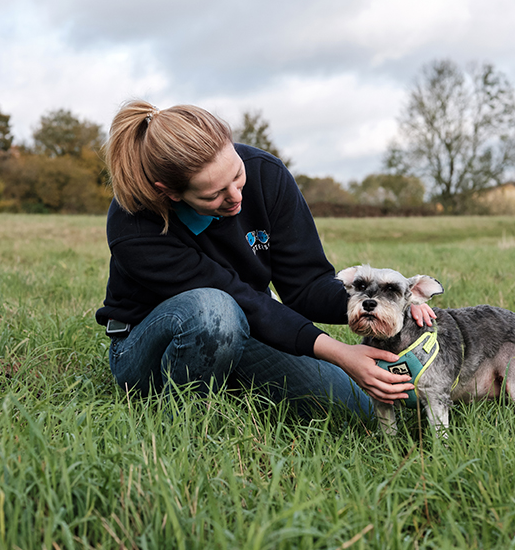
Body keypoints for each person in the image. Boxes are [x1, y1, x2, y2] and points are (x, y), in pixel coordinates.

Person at [95, 100, 434, 422]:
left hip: (244, 324)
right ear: (170, 192)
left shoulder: (265, 174)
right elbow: (240, 299)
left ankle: (230, 379)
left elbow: (306, 285)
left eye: (237, 176)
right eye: (214, 194)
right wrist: (339, 352)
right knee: (214, 311)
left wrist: (388, 300)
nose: (237, 198)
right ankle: (184, 422)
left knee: (358, 409)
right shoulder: (134, 224)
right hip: (147, 348)